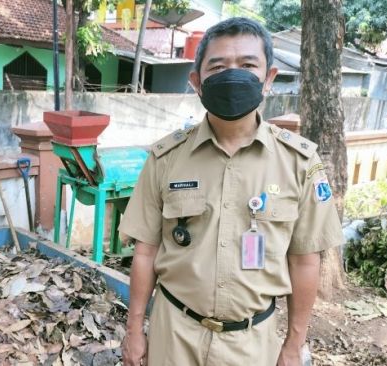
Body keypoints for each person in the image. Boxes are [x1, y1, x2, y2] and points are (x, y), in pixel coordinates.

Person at [119, 17, 344, 366]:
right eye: (219, 66)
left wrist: (293, 345)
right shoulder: (166, 158)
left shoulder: (299, 162)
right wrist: (134, 329)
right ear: (197, 82)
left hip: (253, 343)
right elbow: (146, 253)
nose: (233, 75)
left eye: (248, 65)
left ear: (268, 78)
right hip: (173, 334)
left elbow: (305, 260)